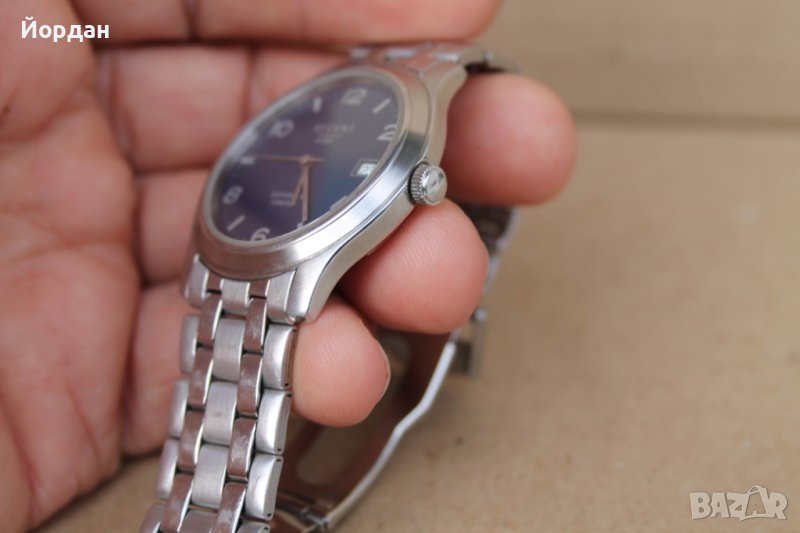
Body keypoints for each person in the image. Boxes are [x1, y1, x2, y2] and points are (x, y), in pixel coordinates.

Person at [0, 0, 575, 529]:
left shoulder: (407, 124)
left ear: (421, 182)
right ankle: (214, 506)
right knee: (320, 366)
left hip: (284, 257)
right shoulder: (318, 112)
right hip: (236, 242)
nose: (305, 158)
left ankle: (230, 509)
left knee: (352, 342)